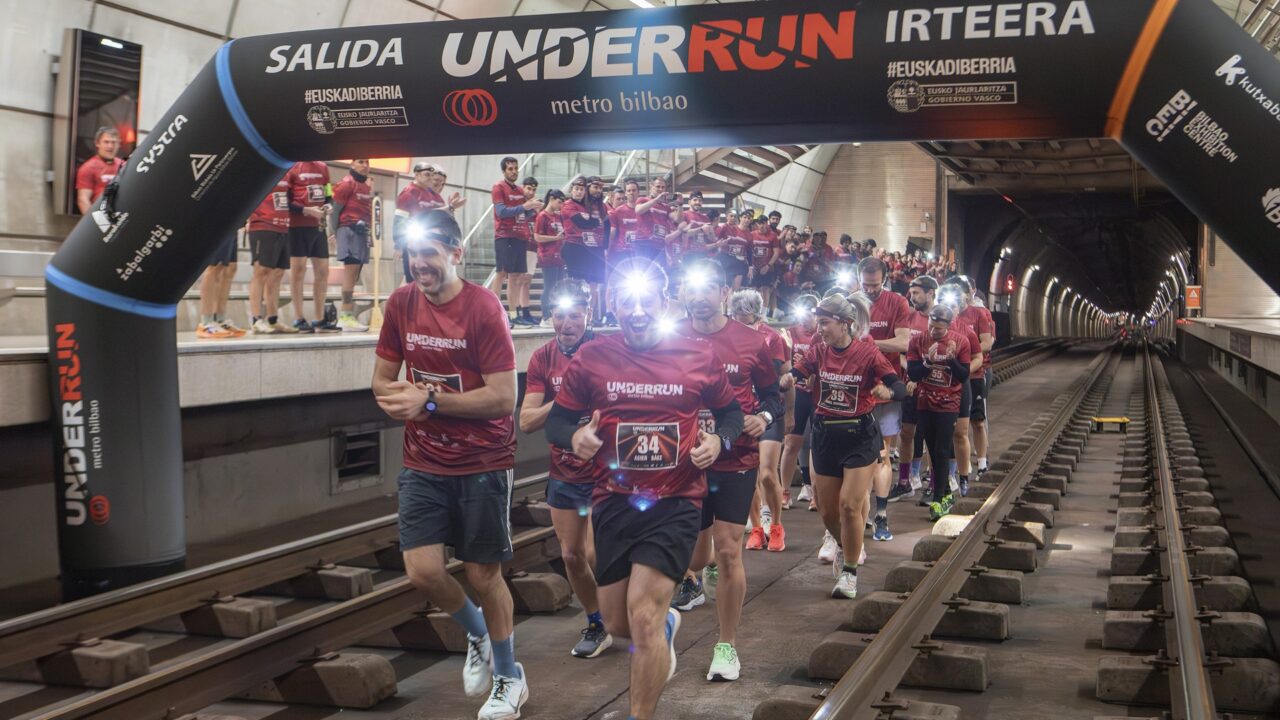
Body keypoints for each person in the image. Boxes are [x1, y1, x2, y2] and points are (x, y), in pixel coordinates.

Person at [545, 258, 744, 719]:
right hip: (613, 501)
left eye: (646, 301)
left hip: (674, 502)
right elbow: (556, 420)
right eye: (626, 301)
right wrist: (573, 437)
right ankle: (667, 627)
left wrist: (718, 439)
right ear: (612, 303)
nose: (636, 310)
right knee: (618, 622)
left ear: (664, 302)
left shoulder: (698, 356)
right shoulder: (593, 358)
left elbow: (731, 413)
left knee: (644, 617)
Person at [372, 210, 526, 719]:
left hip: (483, 459)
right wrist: (397, 400)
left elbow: (505, 399)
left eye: (431, 254)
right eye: (414, 255)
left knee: (484, 575)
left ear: (456, 254)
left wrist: (430, 402)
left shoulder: (483, 310)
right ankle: (479, 634)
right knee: (422, 571)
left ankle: (509, 677)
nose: (420, 265)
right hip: (424, 459)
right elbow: (381, 382)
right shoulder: (400, 303)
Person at [672, 262, 781, 684]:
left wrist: (764, 416)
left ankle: (726, 646)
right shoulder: (670, 336)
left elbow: (773, 395)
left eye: (706, 290)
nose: (698, 298)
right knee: (696, 556)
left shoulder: (752, 341)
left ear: (722, 293)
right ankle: (694, 580)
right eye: (690, 290)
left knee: (729, 548)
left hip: (736, 459)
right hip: (685, 459)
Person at [780, 293, 905, 599]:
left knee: (850, 504)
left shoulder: (867, 353)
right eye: (818, 322)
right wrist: (788, 379)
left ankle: (849, 571)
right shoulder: (818, 351)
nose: (819, 328)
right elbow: (798, 373)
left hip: (859, 435)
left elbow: (900, 387)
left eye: (824, 322)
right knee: (827, 510)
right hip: (825, 435)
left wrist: (885, 392)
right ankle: (846, 544)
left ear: (845, 324)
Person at [520, 279, 612, 659]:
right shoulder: (542, 358)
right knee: (571, 555)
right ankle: (597, 622)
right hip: (564, 473)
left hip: (605, 472)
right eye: (560, 314)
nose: (567, 322)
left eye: (575, 314)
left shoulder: (605, 351)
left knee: (594, 554)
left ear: (588, 315)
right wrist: (564, 399)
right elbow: (526, 421)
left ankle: (629, 608)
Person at [729, 289, 791, 548]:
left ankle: (776, 526)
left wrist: (788, 414)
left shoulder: (772, 338)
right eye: (734, 315)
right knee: (747, 475)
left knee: (766, 473)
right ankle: (756, 526)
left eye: (742, 316)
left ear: (755, 315)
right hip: (740, 412)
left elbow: (779, 376)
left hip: (767, 411)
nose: (737, 320)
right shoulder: (727, 336)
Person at [858, 257, 914, 542]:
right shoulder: (851, 302)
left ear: (885, 280)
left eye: (875, 285)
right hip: (856, 390)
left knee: (882, 455)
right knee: (857, 460)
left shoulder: (897, 303)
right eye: (865, 285)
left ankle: (880, 516)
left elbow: (903, 342)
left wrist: (867, 343)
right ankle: (860, 514)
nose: (869, 291)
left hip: (886, 388)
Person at [907, 304, 971, 521]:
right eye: (931, 326)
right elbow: (913, 373)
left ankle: (937, 499)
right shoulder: (917, 341)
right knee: (932, 450)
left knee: (943, 449)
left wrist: (951, 360)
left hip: (949, 402)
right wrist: (927, 362)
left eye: (939, 329)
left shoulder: (960, 342)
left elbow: (964, 376)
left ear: (949, 325)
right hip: (925, 402)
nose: (934, 331)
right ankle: (944, 492)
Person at [285, 160, 338, 333]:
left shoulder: (323, 167)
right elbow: (287, 201)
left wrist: (329, 204)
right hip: (297, 227)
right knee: (298, 270)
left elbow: (328, 192)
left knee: (323, 271)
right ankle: (299, 317)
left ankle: (319, 318)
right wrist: (307, 210)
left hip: (318, 226)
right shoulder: (293, 167)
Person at [490, 157, 543, 327]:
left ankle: (513, 315)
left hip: (520, 236)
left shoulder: (520, 190)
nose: (514, 171)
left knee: (515, 276)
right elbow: (502, 211)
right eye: (510, 168)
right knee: (501, 273)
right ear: (504, 171)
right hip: (504, 235)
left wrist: (534, 210)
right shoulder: (498, 187)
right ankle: (493, 313)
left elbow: (522, 215)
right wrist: (526, 207)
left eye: (515, 168)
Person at [781, 293, 820, 514]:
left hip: (817, 394)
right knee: (791, 443)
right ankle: (784, 491)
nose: (805, 320)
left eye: (810, 315)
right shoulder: (791, 333)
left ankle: (816, 492)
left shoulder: (822, 332)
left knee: (817, 445)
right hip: (798, 394)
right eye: (801, 315)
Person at [394, 162, 463, 285]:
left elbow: (442, 219)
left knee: (430, 278)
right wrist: (399, 245)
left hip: (434, 244)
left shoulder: (436, 197)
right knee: (413, 278)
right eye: (428, 175)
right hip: (415, 242)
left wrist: (450, 208)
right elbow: (400, 220)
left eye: (432, 176)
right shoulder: (409, 193)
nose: (432, 180)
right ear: (417, 175)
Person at [954, 277, 997, 477]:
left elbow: (987, 343)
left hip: (975, 374)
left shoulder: (978, 314)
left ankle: (981, 462)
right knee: (953, 425)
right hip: (952, 379)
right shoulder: (944, 315)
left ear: (969, 294)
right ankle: (955, 467)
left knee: (978, 420)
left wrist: (966, 357)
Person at [247, 180, 299, 335]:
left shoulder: (288, 170)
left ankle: (273, 319)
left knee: (278, 273)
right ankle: (256, 319)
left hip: (282, 225)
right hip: (262, 224)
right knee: (261, 271)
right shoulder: (261, 167)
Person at [329, 159, 374, 332]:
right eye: (361, 161)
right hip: (348, 230)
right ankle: (345, 316)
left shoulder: (365, 186)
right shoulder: (346, 183)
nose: (365, 165)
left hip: (362, 233)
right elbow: (334, 211)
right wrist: (335, 232)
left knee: (355, 275)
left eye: (367, 162)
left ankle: (348, 315)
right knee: (350, 274)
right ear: (352, 165)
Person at [560, 175, 608, 321]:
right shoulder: (571, 204)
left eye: (581, 189)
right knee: (577, 284)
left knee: (594, 284)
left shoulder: (597, 206)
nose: (579, 192)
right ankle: (575, 314)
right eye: (577, 189)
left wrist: (605, 247)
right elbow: (583, 222)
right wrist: (591, 221)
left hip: (593, 249)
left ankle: (590, 316)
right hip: (575, 247)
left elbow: (604, 225)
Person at [196, 225, 246, 339]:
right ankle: (206, 322)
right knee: (214, 266)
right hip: (219, 223)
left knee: (230, 267)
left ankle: (219, 319)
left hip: (233, 222)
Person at [533, 189, 568, 327]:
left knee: (558, 287)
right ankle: (546, 316)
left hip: (559, 256)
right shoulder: (542, 216)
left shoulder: (559, 217)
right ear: (551, 199)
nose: (561, 206)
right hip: (547, 256)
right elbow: (537, 237)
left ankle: (556, 313)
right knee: (549, 286)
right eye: (559, 202)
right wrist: (555, 238)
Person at [75, 126, 123, 214]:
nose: (110, 146)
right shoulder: (88, 168)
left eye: (113, 142)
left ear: (118, 145)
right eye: (106, 142)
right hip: (100, 216)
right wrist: (92, 224)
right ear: (97, 143)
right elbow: (83, 199)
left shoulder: (123, 165)